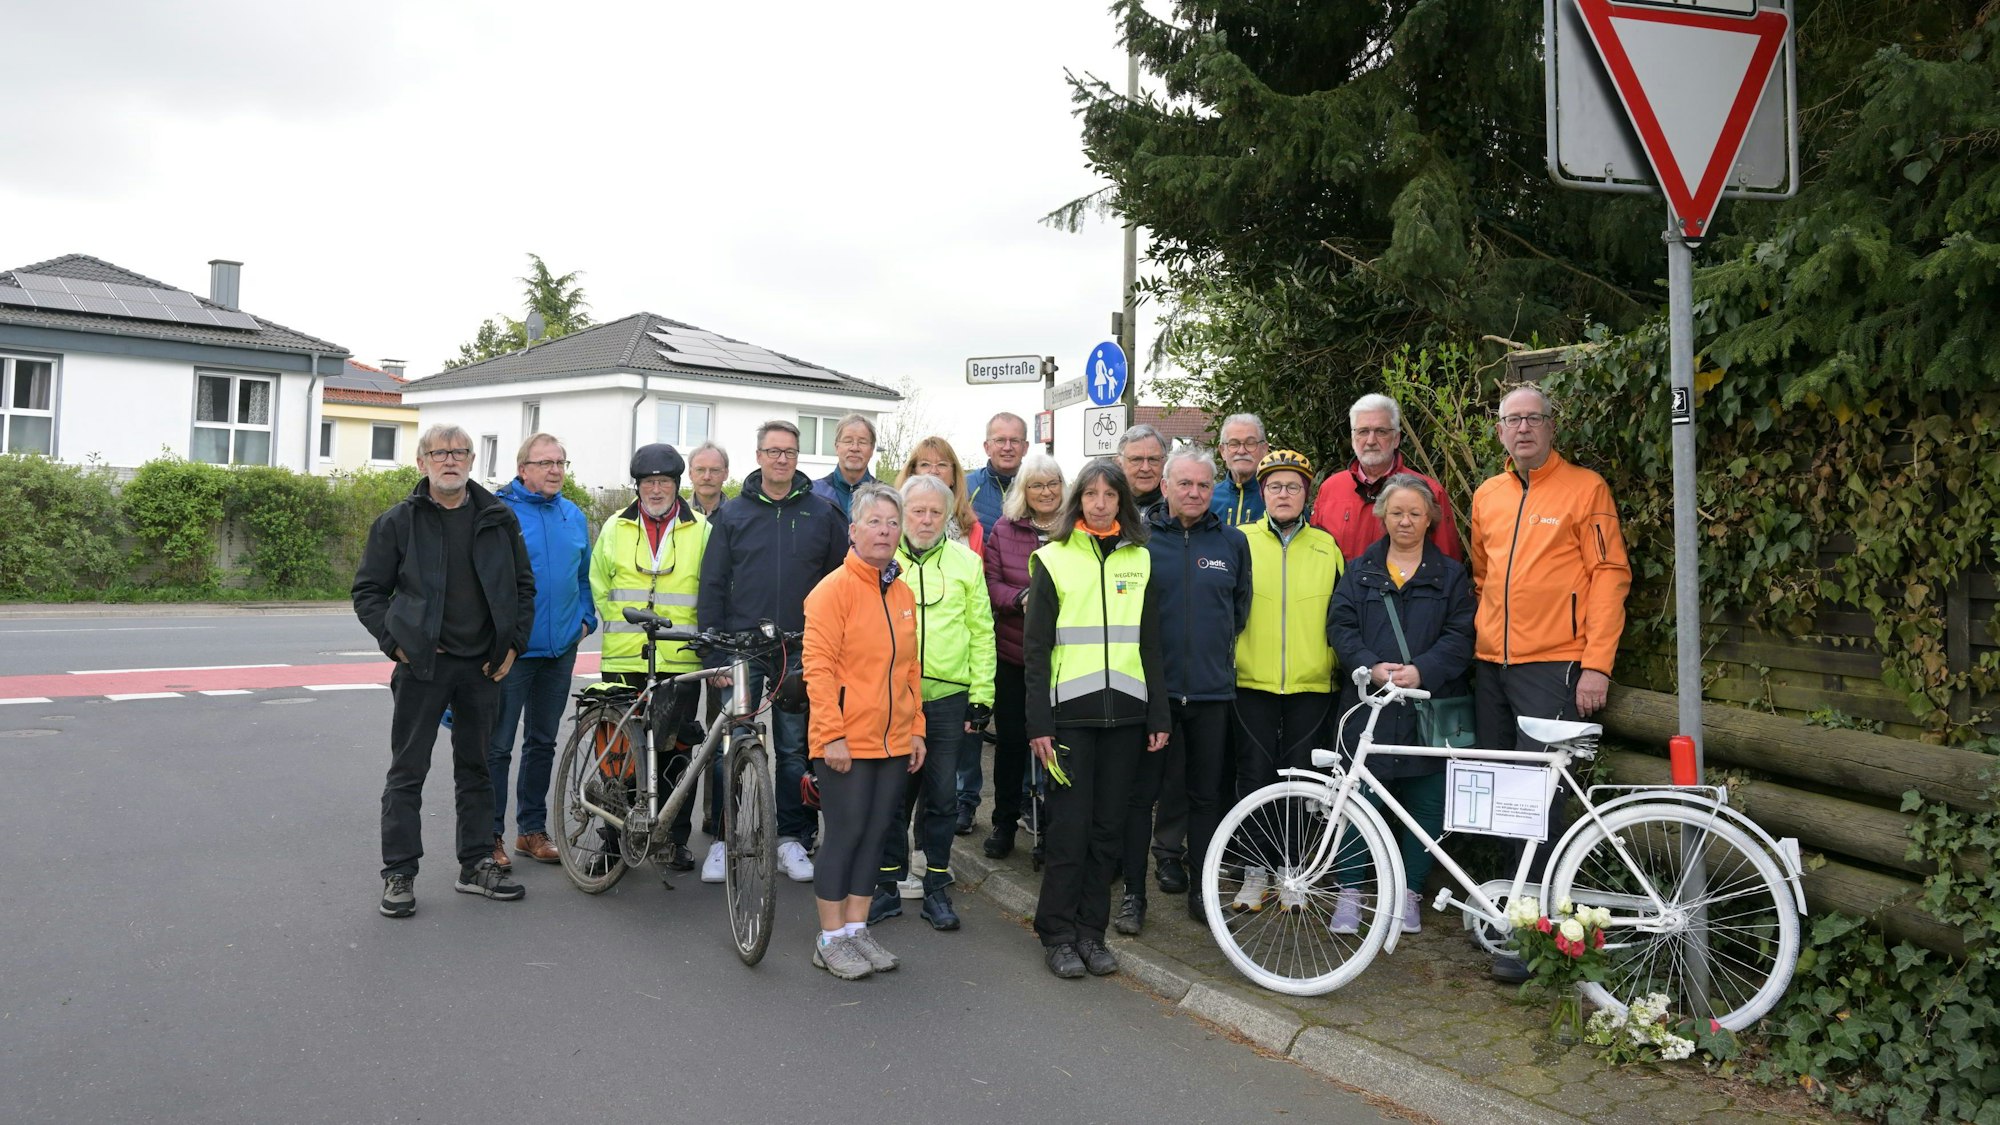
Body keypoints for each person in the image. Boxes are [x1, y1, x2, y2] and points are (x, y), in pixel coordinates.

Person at [1467, 385, 1630, 979]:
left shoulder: (1586, 489)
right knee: (1506, 800)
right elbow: (1483, 575)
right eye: (1513, 420)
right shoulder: (1487, 493)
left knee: (1543, 801)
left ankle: (1542, 938)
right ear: (1500, 431)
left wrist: (1597, 663)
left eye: (1534, 418)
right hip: (1493, 666)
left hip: (1556, 665)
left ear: (1551, 426)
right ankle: (1521, 917)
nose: (1524, 428)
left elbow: (1611, 575)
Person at [353, 423, 535, 918]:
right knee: (407, 771)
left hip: (483, 668)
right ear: (422, 462)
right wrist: (395, 644)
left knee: (477, 768)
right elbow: (368, 591)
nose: (449, 460)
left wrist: (513, 647)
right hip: (422, 667)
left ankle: (475, 864)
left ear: (472, 460)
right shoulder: (398, 522)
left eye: (459, 452)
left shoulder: (499, 519)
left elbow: (523, 588)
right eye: (439, 453)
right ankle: (399, 873)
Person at [1024, 460, 1170, 979]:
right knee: (1069, 831)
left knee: (1108, 833)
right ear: (1079, 500)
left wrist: (1159, 713)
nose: (1101, 502)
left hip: (1128, 721)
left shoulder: (1143, 560)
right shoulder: (1052, 560)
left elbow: (1151, 644)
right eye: (1092, 494)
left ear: (1122, 503)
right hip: (1068, 722)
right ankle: (1057, 934)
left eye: (1111, 494)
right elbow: (1036, 650)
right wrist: (1038, 723)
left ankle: (1091, 934)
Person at [699, 420, 848, 882]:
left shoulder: (823, 514)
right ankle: (727, 840)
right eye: (772, 451)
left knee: (794, 747)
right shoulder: (733, 515)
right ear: (759, 455)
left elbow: (840, 585)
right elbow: (712, 584)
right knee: (732, 743)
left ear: (798, 457)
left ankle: (792, 839)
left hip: (801, 650)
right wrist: (714, 654)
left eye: (789, 451)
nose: (781, 458)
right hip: (741, 649)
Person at [1328, 474, 1475, 934]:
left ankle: (1409, 893)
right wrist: (1370, 665)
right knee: (1358, 802)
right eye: (1397, 513)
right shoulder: (1360, 570)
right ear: (1382, 516)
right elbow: (1340, 625)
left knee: (1424, 806)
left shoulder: (1450, 575)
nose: (1406, 521)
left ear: (1430, 517)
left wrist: (1423, 670)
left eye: (1415, 513)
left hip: (1428, 708)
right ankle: (1351, 893)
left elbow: (1462, 634)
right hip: (1371, 707)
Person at [1118, 447, 1251, 933]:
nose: (1194, 493)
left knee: (1205, 798)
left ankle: (1201, 892)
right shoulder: (1140, 541)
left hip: (1213, 693)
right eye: (1185, 484)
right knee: (1141, 796)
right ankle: (1134, 896)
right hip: (1154, 694)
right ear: (1167, 487)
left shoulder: (1233, 543)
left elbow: (1239, 611)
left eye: (1203, 485)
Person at [801, 483, 928, 980]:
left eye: (892, 524)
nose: (885, 531)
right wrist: (830, 734)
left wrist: (915, 728)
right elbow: (818, 668)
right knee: (846, 835)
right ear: (853, 532)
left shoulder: (902, 591)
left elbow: (911, 669)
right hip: (845, 740)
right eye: (875, 522)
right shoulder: (831, 590)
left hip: (894, 740)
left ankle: (856, 929)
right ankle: (829, 938)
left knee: (877, 834)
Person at [869, 474, 996, 932]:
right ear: (903, 514)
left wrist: (982, 696)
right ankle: (886, 888)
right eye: (917, 511)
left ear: (947, 517)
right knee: (890, 799)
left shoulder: (967, 562)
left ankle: (937, 888)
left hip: (947, 699)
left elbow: (983, 633)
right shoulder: (881, 562)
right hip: (892, 700)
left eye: (934, 512)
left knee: (942, 798)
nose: (925, 520)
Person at [1229, 449, 1344, 912]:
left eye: (1293, 486)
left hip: (1311, 684)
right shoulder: (1239, 541)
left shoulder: (1326, 547)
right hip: (1250, 680)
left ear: (1306, 494)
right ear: (1262, 493)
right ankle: (1255, 871)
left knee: (1301, 782)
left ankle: (1292, 871)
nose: (1283, 493)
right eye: (1275, 486)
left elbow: (1341, 614)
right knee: (1254, 778)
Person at [591, 443, 713, 878]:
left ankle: (671, 840)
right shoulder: (614, 527)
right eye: (648, 482)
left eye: (664, 482)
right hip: (624, 656)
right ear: (638, 486)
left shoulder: (702, 529)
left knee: (677, 749)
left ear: (678, 485)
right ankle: (611, 841)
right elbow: (598, 583)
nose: (656, 489)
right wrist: (616, 624)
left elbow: (713, 588)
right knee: (618, 755)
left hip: (679, 659)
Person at [485, 433, 597, 871]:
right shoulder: (499, 514)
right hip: (512, 653)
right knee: (496, 747)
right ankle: (488, 836)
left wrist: (584, 620)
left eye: (561, 462)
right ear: (522, 468)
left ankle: (530, 831)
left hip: (559, 650)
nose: (555, 470)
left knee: (543, 742)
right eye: (545, 462)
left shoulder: (573, 515)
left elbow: (584, 577)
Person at [980, 450, 1065, 860]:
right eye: (1037, 485)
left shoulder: (1076, 528)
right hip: (1015, 656)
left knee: (1058, 747)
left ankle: (1053, 825)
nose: (1046, 492)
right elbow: (990, 584)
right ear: (1023, 491)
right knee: (1012, 743)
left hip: (1065, 660)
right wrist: (1020, 598)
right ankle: (1004, 823)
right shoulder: (1004, 528)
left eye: (1053, 484)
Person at [1311, 393, 1462, 562]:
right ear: (1353, 439)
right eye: (1363, 431)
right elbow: (1315, 558)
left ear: (1396, 439)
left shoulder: (1428, 491)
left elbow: (1447, 566)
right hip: (1341, 588)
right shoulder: (1330, 489)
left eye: (1381, 431)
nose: (1370, 441)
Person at [897, 434, 985, 556]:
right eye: (925, 464)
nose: (933, 471)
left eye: (942, 464)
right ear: (912, 473)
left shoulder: (971, 527)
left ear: (954, 476)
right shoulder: (892, 522)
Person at [967, 412, 1029, 537]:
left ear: (1025, 447)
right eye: (1000, 440)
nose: (1007, 447)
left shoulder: (1039, 489)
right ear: (987, 447)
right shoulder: (966, 487)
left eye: (1015, 441)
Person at [1209, 413, 1270, 526]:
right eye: (1234, 444)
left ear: (1264, 449)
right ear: (1222, 451)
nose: (1242, 451)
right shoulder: (1207, 498)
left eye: (1250, 443)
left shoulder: (1278, 498)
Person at [812, 413, 878, 518]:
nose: (855, 448)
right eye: (848, 441)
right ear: (836, 447)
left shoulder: (884, 496)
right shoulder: (814, 493)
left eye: (862, 442)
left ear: (872, 449)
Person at [1116, 424, 1168, 512]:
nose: (1145, 468)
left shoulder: (1178, 505)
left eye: (1153, 459)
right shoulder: (1107, 506)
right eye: (1136, 459)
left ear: (1164, 462)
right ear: (1120, 464)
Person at [685, 440, 730, 516]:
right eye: (700, 470)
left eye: (715, 470)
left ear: (726, 474)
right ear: (690, 473)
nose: (707, 477)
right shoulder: (677, 515)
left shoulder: (740, 515)